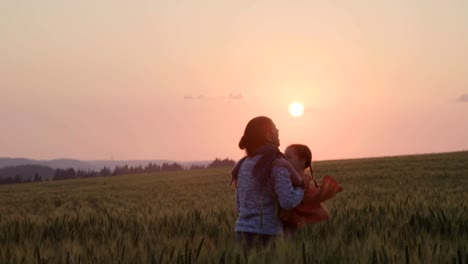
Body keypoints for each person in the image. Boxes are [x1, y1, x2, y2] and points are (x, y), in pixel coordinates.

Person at [231, 116, 305, 249]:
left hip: (240, 234)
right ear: (268, 136)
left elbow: (239, 204)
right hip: (266, 235)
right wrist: (301, 189)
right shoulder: (277, 164)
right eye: (274, 127)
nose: (278, 130)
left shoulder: (242, 165)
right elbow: (287, 201)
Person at [279, 144, 343, 234]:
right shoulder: (285, 177)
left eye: (288, 157)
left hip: (297, 219)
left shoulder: (302, 180)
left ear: (302, 161)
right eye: (283, 156)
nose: (284, 159)